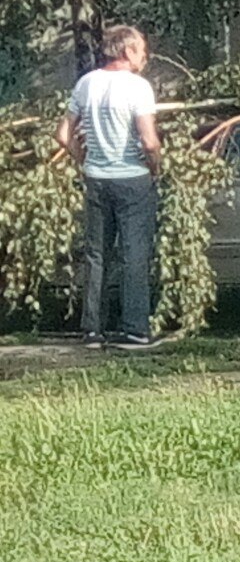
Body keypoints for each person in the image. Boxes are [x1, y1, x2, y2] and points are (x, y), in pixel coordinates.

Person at [56, 25, 162, 350]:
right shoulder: (138, 87)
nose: (145, 55)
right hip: (131, 178)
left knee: (96, 254)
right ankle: (134, 330)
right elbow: (148, 140)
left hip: (96, 178)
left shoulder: (86, 83)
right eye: (141, 49)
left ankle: (92, 331)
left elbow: (62, 135)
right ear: (127, 51)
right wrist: (156, 167)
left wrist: (82, 159)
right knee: (134, 255)